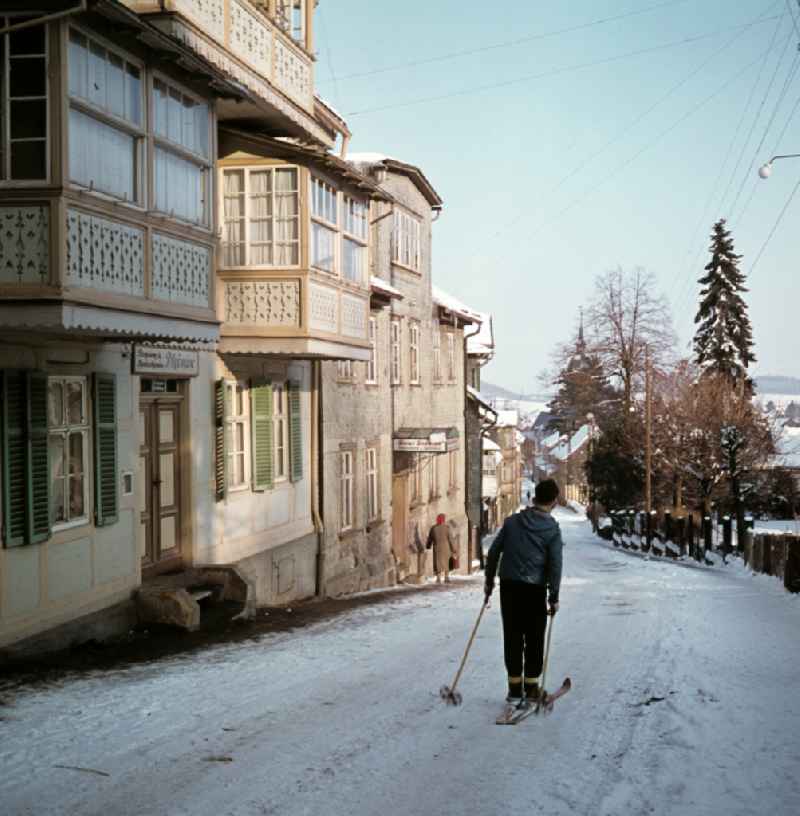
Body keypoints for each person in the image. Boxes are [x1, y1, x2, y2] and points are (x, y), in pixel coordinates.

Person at [484, 478, 563, 706]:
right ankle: (531, 687)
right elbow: (555, 564)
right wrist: (554, 596)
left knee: (513, 636)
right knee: (535, 637)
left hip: (509, 587)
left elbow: (494, 552)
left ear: (535, 497)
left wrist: (489, 582)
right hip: (534, 589)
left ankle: (514, 688)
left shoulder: (512, 522)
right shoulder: (552, 530)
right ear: (554, 502)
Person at [427, 513, 457, 583]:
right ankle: (446, 577)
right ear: (444, 520)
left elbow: (430, 538)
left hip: (437, 548)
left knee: (438, 563)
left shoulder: (433, 528)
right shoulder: (447, 528)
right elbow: (451, 539)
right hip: (446, 548)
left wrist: (428, 546)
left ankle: (438, 578)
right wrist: (454, 549)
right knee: (446, 562)